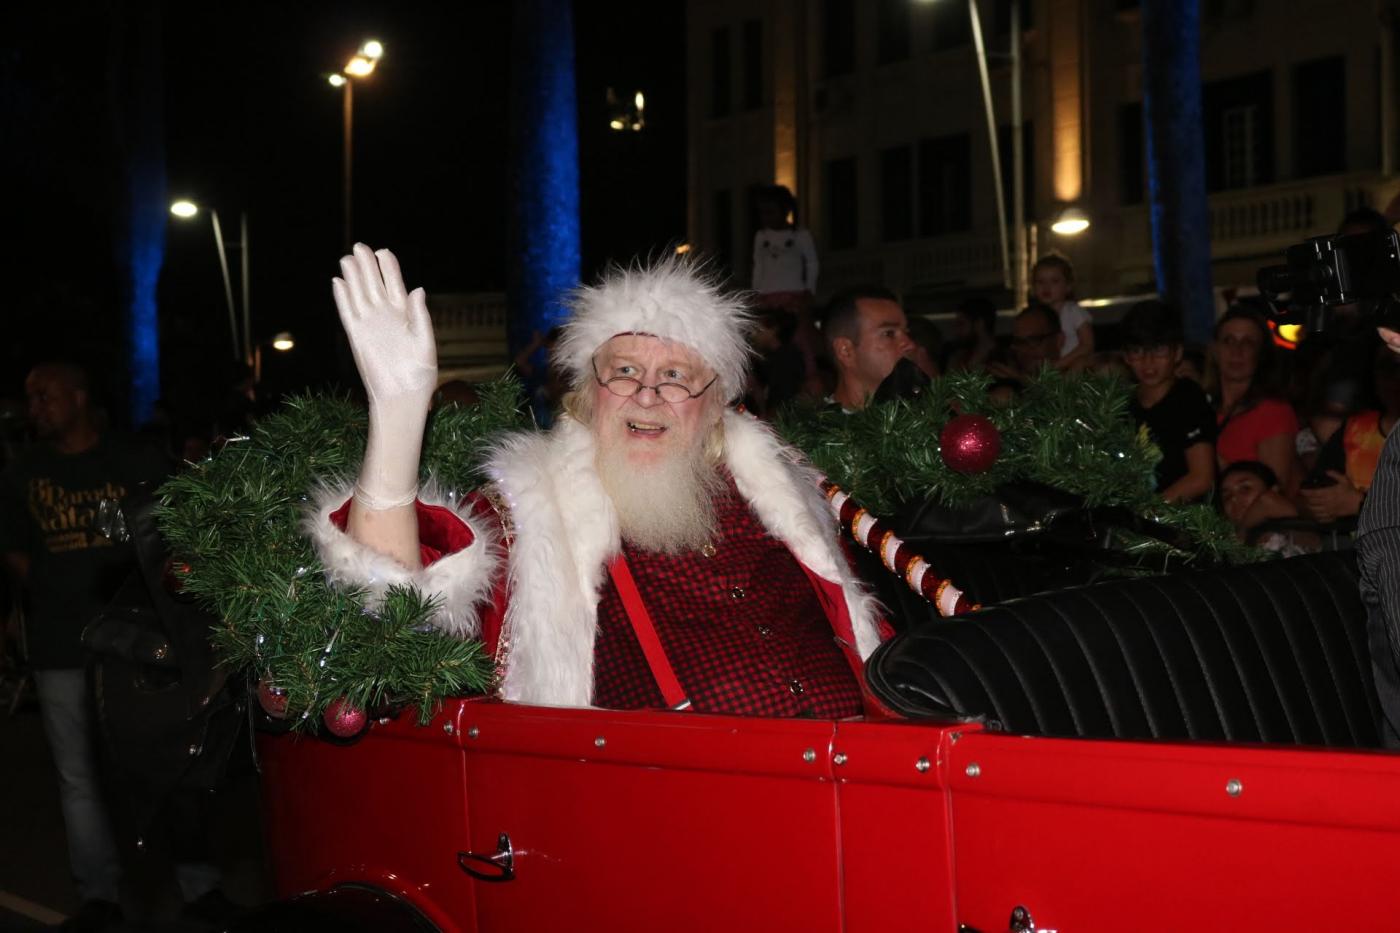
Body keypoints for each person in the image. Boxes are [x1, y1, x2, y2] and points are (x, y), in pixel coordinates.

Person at [311, 245, 887, 715]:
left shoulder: (784, 500)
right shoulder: (530, 512)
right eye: (625, 372)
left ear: (716, 405)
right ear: (587, 397)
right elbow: (397, 619)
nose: (647, 393)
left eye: (676, 377)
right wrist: (398, 416)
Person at [0, 362, 169, 932]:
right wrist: (53, 590)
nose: (35, 407)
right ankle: (98, 893)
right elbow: (16, 550)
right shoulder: (25, 473)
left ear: (78, 396)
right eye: (30, 398)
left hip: (133, 645)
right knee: (77, 776)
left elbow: (166, 535)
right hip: (59, 643)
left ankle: (197, 885)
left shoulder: (129, 460)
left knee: (153, 764)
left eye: (44, 395)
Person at [1120, 300, 1216, 503]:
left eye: (1159, 350)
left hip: (1185, 523)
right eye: (1138, 351)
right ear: (1126, 357)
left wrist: (1147, 514)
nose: (1148, 362)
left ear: (1177, 353)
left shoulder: (1188, 398)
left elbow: (1201, 478)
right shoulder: (1122, 405)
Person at [1208, 303, 1301, 493]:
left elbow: (1273, 489)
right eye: (1228, 341)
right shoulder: (1203, 408)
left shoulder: (1273, 411)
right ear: (1215, 350)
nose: (1237, 351)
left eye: (1248, 342)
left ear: (1261, 354)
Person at [823, 286, 916, 412]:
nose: (910, 344)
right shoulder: (809, 430)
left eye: (906, 332)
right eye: (889, 334)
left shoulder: (928, 421)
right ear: (845, 351)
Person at [1031, 253, 1093, 371]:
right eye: (1040, 282)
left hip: (1076, 368)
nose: (1046, 287)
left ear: (1068, 286)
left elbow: (1087, 345)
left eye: (1054, 281)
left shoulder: (1073, 311)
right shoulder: (1036, 317)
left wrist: (1059, 364)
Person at [987, 304, 1063, 391]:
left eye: (1034, 340)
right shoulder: (1008, 390)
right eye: (1019, 342)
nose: (1025, 349)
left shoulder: (1077, 375)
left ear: (1059, 340)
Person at [943, 297, 998, 372]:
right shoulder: (957, 359)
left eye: (961, 324)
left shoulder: (1001, 360)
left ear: (979, 323)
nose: (956, 331)